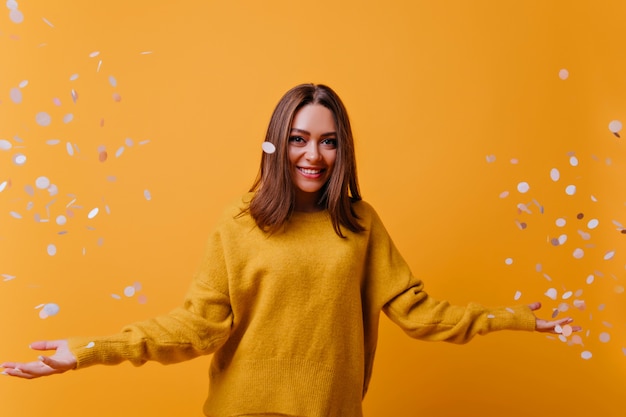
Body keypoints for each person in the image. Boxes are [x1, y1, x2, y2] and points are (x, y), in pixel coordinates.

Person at [1, 83, 579, 417]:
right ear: (277, 144)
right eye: (300, 139)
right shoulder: (239, 222)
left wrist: (518, 319)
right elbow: (195, 327)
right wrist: (88, 350)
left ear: (342, 148)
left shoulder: (359, 225)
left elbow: (422, 314)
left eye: (328, 141)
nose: (314, 155)